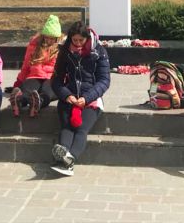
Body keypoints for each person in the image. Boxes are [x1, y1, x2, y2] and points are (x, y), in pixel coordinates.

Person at [50, 21, 110, 176]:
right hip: (69, 98)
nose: (77, 44)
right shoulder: (65, 52)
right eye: (74, 40)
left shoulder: (99, 51)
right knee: (66, 127)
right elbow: (56, 80)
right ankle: (64, 156)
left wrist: (87, 97)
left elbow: (104, 80)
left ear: (87, 39)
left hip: (91, 100)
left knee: (81, 129)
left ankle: (69, 159)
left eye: (80, 41)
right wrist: (66, 95)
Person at [9, 15, 63, 118]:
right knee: (27, 89)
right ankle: (19, 101)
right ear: (43, 36)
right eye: (46, 37)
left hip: (51, 78)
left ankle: (38, 103)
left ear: (57, 38)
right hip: (34, 76)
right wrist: (18, 82)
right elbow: (25, 66)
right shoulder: (34, 46)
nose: (48, 41)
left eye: (52, 39)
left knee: (47, 92)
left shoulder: (61, 49)